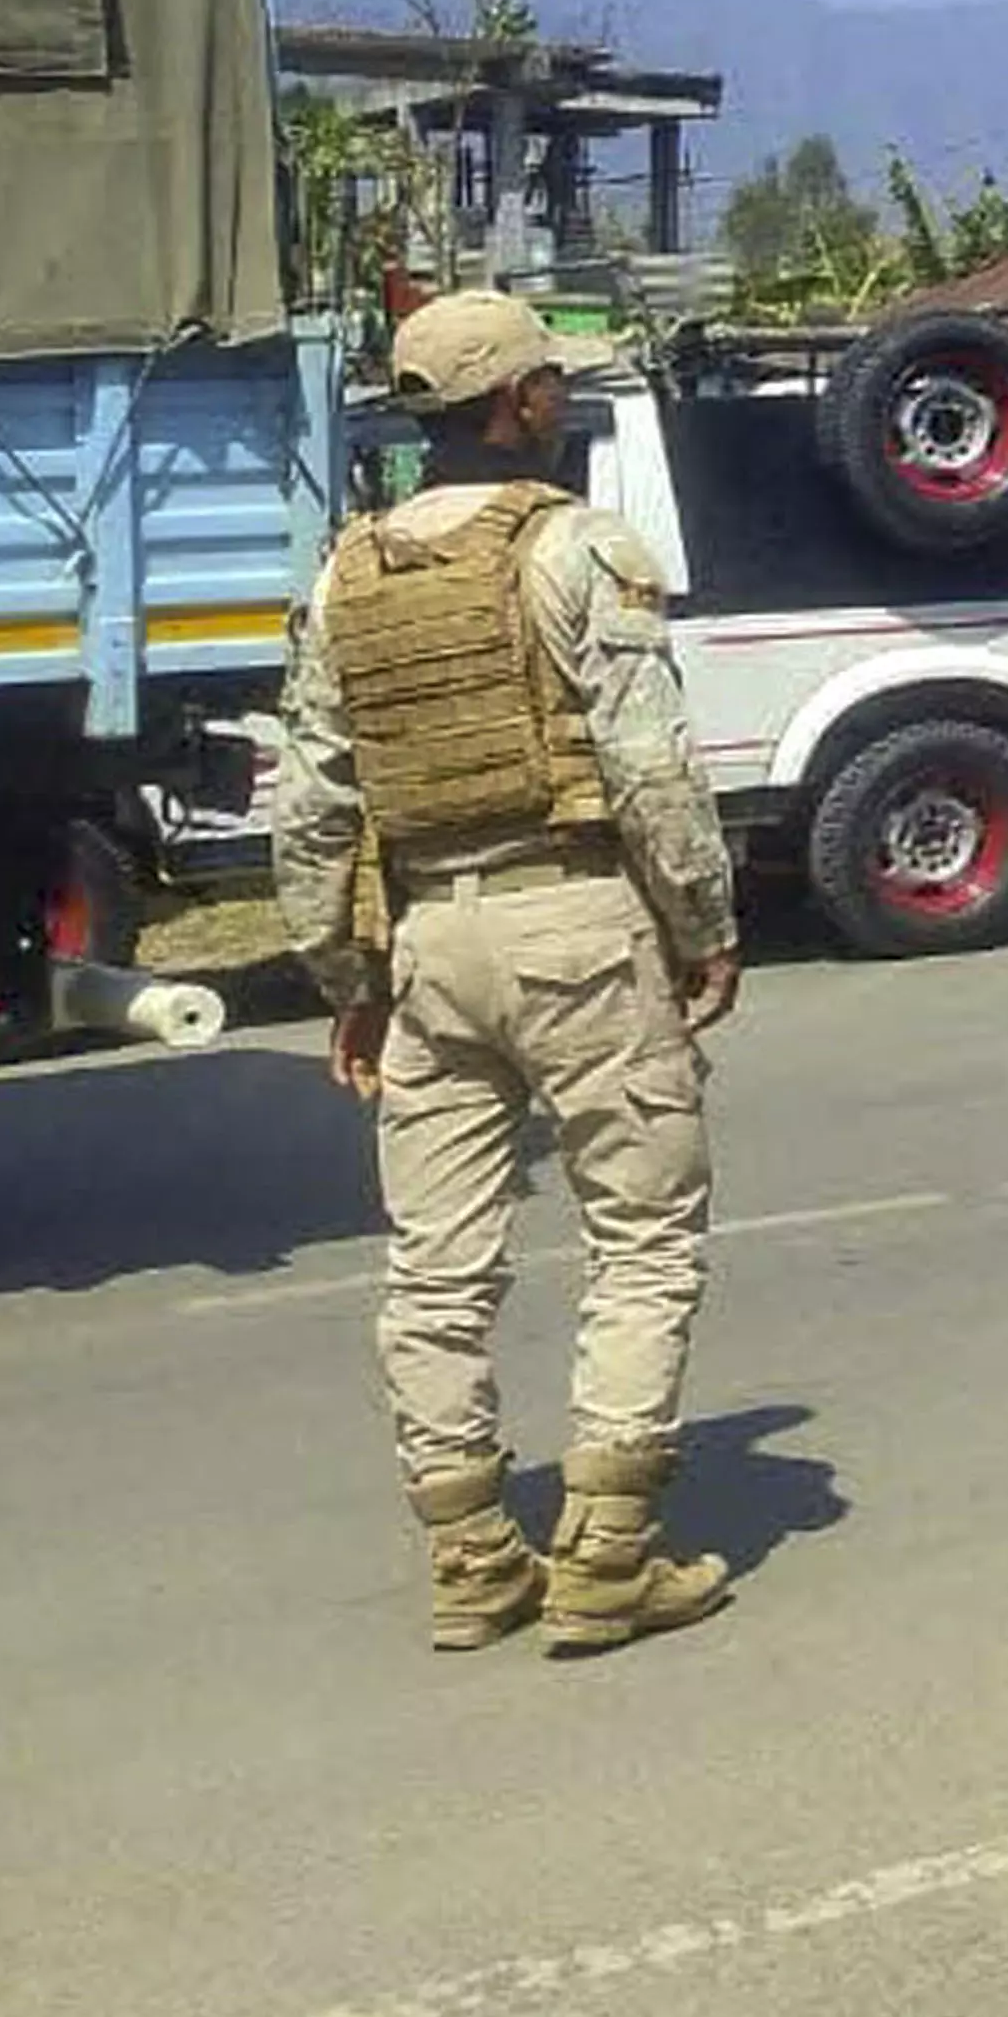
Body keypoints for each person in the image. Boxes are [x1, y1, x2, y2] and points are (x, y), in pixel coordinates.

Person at [270, 291, 744, 1660]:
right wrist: (703, 921)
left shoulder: (344, 571)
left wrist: (345, 973)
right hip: (574, 920)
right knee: (643, 1235)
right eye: (549, 381)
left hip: (427, 941)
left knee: (436, 1264)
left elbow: (311, 800)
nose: (559, 399)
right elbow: (651, 766)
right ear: (517, 404)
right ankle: (607, 1554)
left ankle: (473, 1555)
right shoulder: (577, 549)